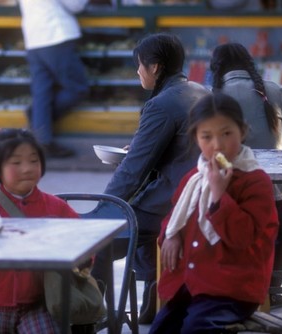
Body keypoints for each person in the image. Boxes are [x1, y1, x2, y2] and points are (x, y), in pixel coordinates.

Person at [92, 33, 209, 324]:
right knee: (137, 215)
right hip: (203, 195)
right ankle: (150, 303)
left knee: (99, 241)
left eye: (139, 65)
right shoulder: (202, 92)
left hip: (174, 203)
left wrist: (104, 207)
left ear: (154, 67)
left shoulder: (160, 105)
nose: (137, 72)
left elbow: (134, 169)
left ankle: (89, 312)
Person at [150, 92, 279, 333]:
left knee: (195, 328)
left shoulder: (255, 181)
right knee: (162, 328)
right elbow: (175, 216)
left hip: (232, 288)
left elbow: (243, 237)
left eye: (226, 133)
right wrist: (171, 235)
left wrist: (220, 196)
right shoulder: (194, 178)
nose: (217, 145)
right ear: (196, 139)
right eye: (206, 136)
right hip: (193, 283)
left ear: (243, 131)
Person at [210, 42, 282, 309]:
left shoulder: (212, 97)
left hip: (226, 192)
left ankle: (245, 286)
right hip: (275, 194)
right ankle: (271, 286)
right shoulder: (272, 91)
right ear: (248, 63)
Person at [0, 128, 85, 334]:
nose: (27, 168)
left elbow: (87, 245)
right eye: (16, 162)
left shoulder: (56, 207)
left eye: (34, 161)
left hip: (38, 305)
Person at [18, 0, 90, 158]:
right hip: (56, 35)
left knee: (41, 94)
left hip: (34, 39)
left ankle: (42, 136)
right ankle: (38, 118)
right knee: (78, 88)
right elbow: (76, 5)